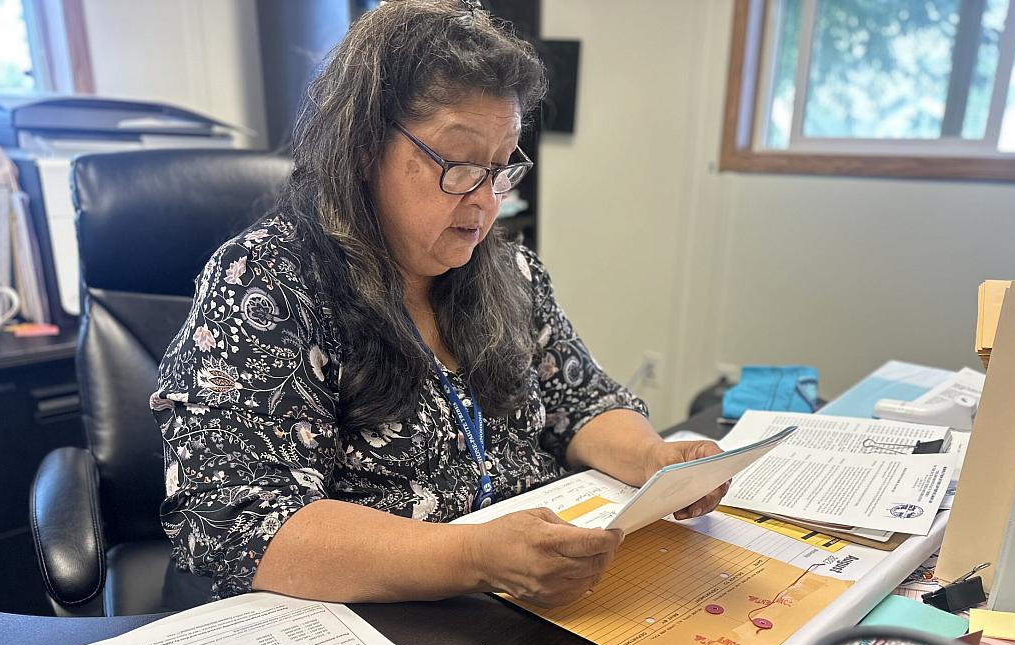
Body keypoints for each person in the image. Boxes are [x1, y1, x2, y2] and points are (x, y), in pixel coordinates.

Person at [153, 0, 726, 609]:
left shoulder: (509, 273)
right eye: (457, 166)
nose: (485, 203)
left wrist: (655, 458)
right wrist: (475, 556)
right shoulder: (269, 282)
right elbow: (245, 524)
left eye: (501, 168)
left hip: (516, 612)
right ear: (364, 145)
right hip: (375, 630)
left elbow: (579, 403)